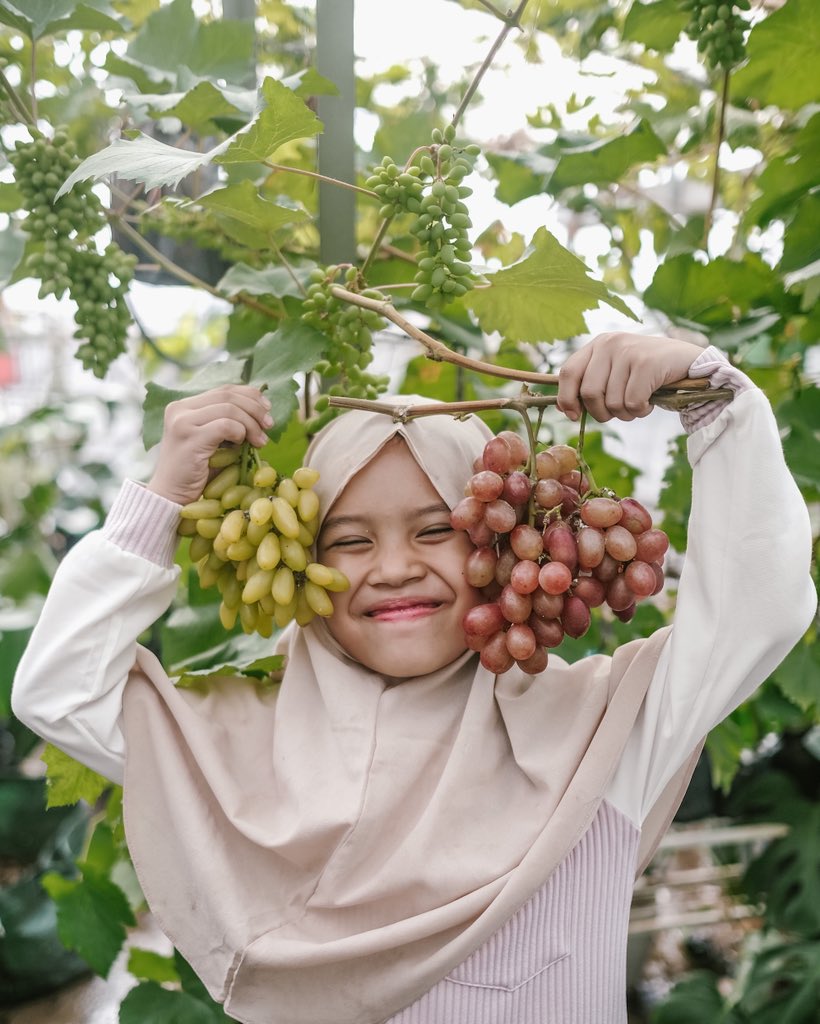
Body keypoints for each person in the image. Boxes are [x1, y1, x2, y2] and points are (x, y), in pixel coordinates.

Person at [11, 333, 816, 1024]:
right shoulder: (232, 740)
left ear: (502, 546)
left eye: (437, 529)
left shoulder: (599, 733)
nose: (393, 568)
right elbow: (57, 692)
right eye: (348, 542)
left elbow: (759, 608)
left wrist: (712, 398)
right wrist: (158, 502)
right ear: (300, 560)